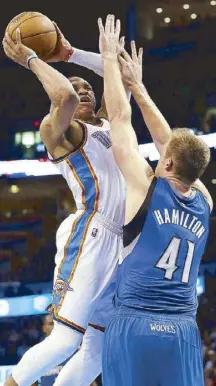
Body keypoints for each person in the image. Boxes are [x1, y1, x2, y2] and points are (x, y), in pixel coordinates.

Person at [2, 24, 125, 386]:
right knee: (65, 339)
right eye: (78, 85)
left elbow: (119, 73)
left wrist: (72, 54)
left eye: (88, 86)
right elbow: (65, 98)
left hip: (123, 241)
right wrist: (32, 59)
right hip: (93, 232)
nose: (84, 90)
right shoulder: (60, 132)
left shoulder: (109, 123)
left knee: (99, 349)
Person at [98, 14, 213, 386]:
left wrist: (109, 62)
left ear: (166, 162)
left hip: (135, 324)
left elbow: (118, 116)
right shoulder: (205, 199)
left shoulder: (146, 186)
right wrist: (141, 89)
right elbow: (173, 146)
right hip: (181, 331)